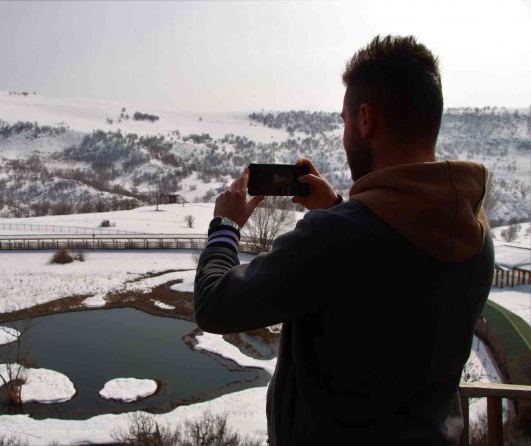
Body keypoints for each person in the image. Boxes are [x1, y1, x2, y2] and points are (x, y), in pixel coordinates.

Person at [194, 35, 494, 445]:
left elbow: (215, 305)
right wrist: (336, 206)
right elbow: (389, 275)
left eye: (344, 121)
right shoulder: (473, 226)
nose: (345, 133)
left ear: (366, 120)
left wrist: (226, 227)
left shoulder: (339, 237)